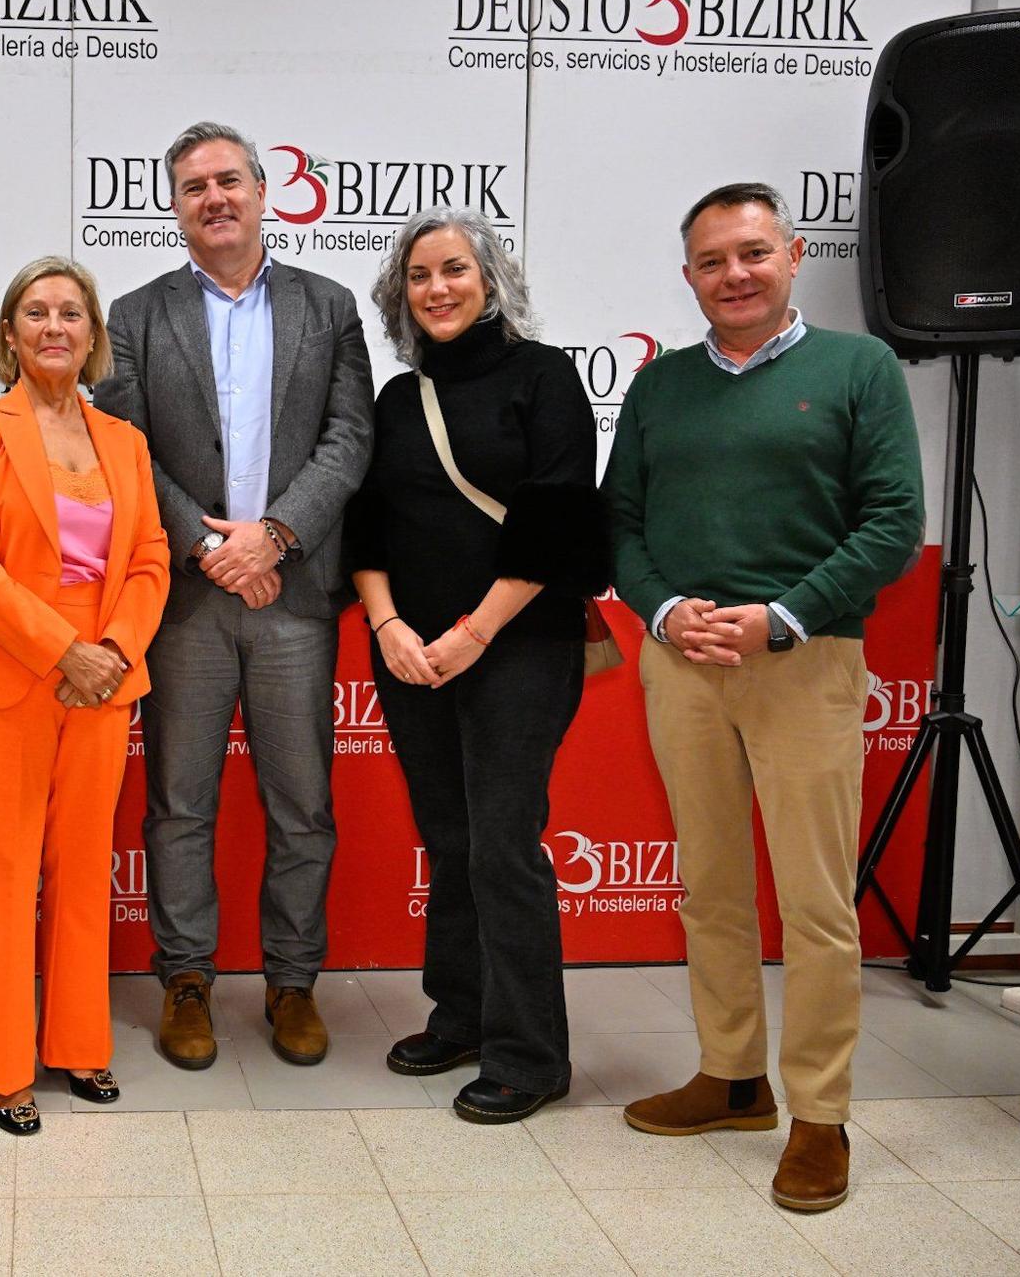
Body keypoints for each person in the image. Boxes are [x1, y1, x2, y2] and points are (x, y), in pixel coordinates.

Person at [603, 182, 924, 1212]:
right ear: (687, 275)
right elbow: (619, 521)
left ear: (789, 255)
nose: (732, 274)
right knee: (709, 883)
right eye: (709, 261)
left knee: (816, 904)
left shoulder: (858, 367)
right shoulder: (660, 385)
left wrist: (780, 615)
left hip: (804, 661)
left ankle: (818, 1115)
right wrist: (659, 613)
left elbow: (889, 521)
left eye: (750, 253)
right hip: (681, 661)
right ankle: (732, 1074)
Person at [96, 121, 374, 1070]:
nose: (213, 198)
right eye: (192, 187)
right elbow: (125, 449)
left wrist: (276, 537)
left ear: (265, 190)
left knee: (301, 803)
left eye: (228, 181)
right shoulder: (132, 316)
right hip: (186, 597)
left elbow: (349, 440)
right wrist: (211, 547)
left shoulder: (328, 305)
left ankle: (293, 982)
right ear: (174, 206)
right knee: (180, 803)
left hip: (293, 594)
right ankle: (187, 978)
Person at [346, 208, 607, 1123]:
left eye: (455, 270)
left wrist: (472, 634)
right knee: (450, 843)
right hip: (411, 655)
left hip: (515, 647)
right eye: (419, 277)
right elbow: (366, 526)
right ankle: (460, 1013)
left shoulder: (545, 377)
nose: (438, 289)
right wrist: (387, 629)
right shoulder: (395, 398)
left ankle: (530, 1055)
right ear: (401, 296)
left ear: (491, 280)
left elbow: (556, 523)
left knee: (502, 845)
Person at [0, 257, 170, 1134]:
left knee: (82, 868)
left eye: (72, 312)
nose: (55, 326)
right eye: (36, 312)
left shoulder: (127, 443)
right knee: (1, 872)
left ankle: (78, 1045)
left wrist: (108, 651)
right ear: (9, 335)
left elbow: (149, 558)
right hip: (6, 670)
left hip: (103, 674)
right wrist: (62, 648)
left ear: (93, 335)